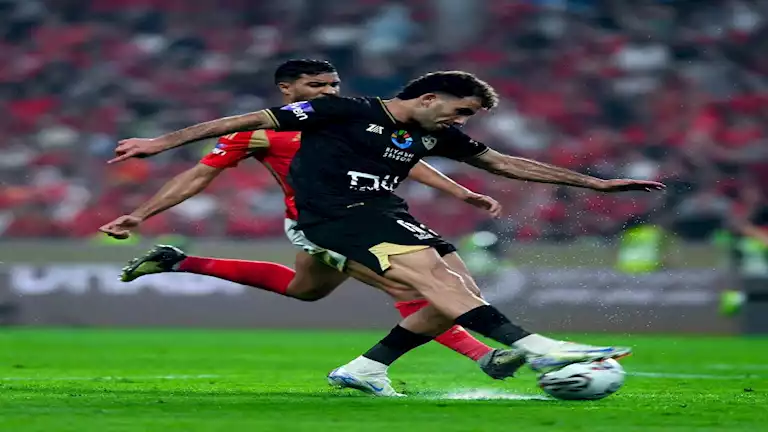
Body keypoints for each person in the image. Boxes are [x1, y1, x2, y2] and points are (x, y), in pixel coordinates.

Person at [110, 70, 666, 396]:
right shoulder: (343, 111)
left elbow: (503, 163)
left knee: (456, 291)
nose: (461, 122)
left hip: (383, 209)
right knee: (427, 280)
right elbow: (246, 121)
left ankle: (367, 367)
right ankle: (538, 349)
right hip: (332, 214)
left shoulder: (431, 133)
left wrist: (597, 184)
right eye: (460, 111)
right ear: (428, 98)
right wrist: (161, 142)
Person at [99, 60, 523, 386]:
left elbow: (404, 156)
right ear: (287, 89)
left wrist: (459, 191)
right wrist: (141, 214)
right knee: (412, 285)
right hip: (317, 221)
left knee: (305, 290)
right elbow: (198, 176)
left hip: (361, 213)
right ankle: (481, 354)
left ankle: (177, 261)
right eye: (317, 86)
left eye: (333, 84)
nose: (328, 91)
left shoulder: (347, 118)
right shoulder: (260, 132)